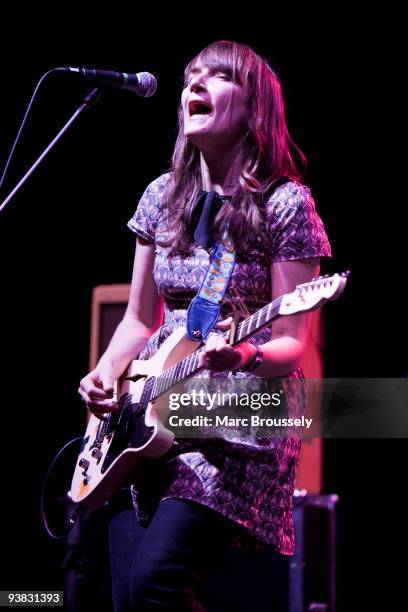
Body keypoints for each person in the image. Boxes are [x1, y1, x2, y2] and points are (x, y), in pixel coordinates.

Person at [78, 40, 331, 611]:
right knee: (127, 599)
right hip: (146, 417)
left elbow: (291, 342)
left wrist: (241, 357)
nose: (195, 83)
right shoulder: (161, 197)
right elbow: (141, 319)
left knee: (154, 587)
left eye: (217, 77)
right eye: (190, 75)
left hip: (234, 427)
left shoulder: (286, 204)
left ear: (255, 107)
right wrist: (105, 372)